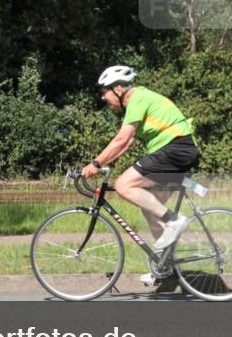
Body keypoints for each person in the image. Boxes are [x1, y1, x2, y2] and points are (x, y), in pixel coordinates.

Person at [80, 65, 199, 284]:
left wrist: (95, 163)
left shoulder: (137, 98)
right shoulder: (138, 102)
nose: (103, 98)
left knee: (124, 185)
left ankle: (175, 220)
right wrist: (105, 162)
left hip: (176, 148)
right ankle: (165, 267)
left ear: (117, 88)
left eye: (104, 92)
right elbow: (127, 143)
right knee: (150, 208)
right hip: (178, 151)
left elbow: (121, 139)